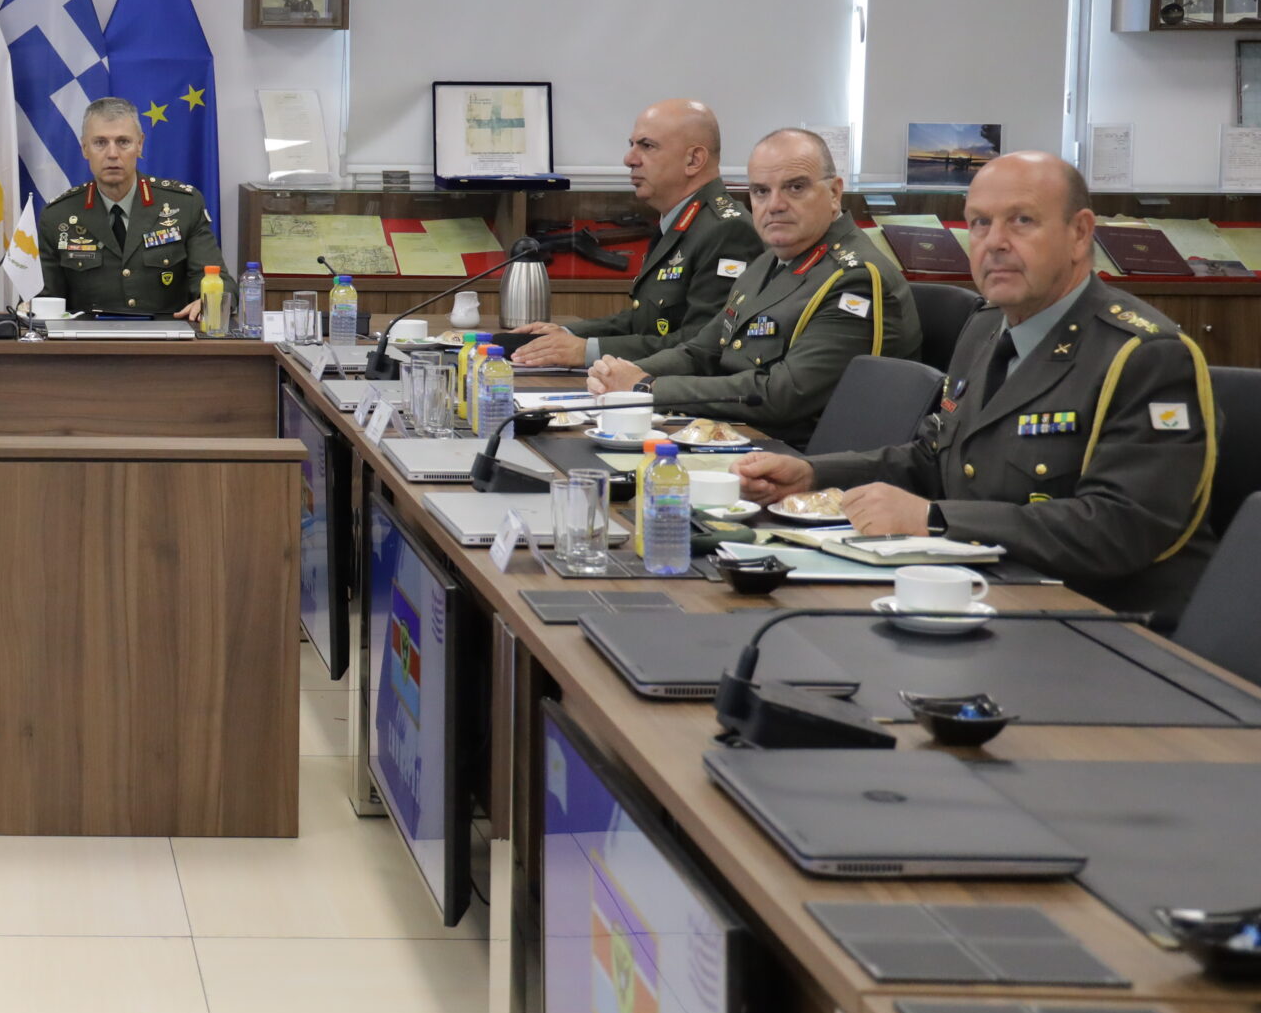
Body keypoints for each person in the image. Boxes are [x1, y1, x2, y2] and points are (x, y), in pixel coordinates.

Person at [737, 152, 1218, 623]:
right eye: (980, 224)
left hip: (1097, 619)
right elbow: (934, 458)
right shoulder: (987, 326)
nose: (995, 243)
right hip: (984, 589)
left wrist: (935, 519)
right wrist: (812, 474)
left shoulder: (1144, 355)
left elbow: (1121, 528)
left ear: (1079, 233)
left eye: (1022, 221)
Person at [586, 128, 919, 444]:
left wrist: (648, 388)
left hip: (797, 460)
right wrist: (622, 374)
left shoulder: (855, 279)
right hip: (741, 437)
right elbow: (703, 351)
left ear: (834, 193)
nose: (774, 205)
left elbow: (783, 395)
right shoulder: (770, 260)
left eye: (795, 188)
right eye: (761, 191)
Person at [510, 99, 759, 367]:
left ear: (694, 159)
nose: (629, 159)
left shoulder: (726, 230)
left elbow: (702, 344)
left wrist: (586, 351)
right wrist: (567, 334)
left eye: (647, 146)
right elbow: (645, 322)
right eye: (632, 145)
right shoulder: (680, 221)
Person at [33, 97, 224, 320]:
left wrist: (209, 301)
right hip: (88, 338)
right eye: (100, 143)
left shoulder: (183, 205)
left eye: (123, 142)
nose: (112, 154)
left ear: (140, 145)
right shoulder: (58, 216)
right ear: (85, 148)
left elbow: (216, 279)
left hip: (167, 336)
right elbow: (44, 299)